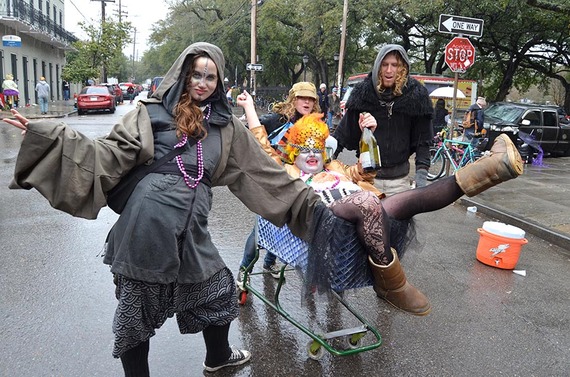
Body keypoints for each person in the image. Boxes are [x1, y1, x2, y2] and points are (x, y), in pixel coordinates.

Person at [3, 42, 343, 375]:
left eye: (210, 78)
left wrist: (317, 209)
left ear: (219, 82)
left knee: (218, 292)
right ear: (183, 73)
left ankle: (219, 357)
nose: (202, 83)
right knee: (137, 313)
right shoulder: (149, 112)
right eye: (196, 74)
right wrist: (50, 135)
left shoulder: (226, 128)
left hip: (192, 229)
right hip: (147, 225)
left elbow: (265, 175)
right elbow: (106, 153)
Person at [235, 92, 524, 316]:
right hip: (322, 221)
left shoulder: (334, 168)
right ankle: (393, 284)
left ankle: (492, 169)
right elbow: (261, 147)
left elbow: (368, 170)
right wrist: (248, 108)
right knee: (365, 200)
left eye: (317, 149)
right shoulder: (288, 174)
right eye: (304, 150)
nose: (312, 155)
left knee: (409, 200)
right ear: (291, 152)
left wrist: (367, 133)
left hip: (363, 218)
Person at [236, 81, 323, 282]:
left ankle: (269, 264)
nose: (307, 102)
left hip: (300, 182)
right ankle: (244, 269)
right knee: (263, 226)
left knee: (284, 224)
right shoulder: (279, 119)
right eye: (302, 97)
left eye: (311, 98)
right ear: (293, 99)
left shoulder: (315, 123)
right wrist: (248, 113)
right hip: (275, 178)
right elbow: (256, 131)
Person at [333, 44, 434, 196]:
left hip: (400, 183)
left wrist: (421, 180)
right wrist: (324, 164)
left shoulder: (417, 97)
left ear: (403, 68)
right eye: (384, 64)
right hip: (367, 180)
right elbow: (342, 135)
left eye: (395, 65)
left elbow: (423, 141)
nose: (389, 70)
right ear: (378, 67)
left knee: (398, 220)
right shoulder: (362, 94)